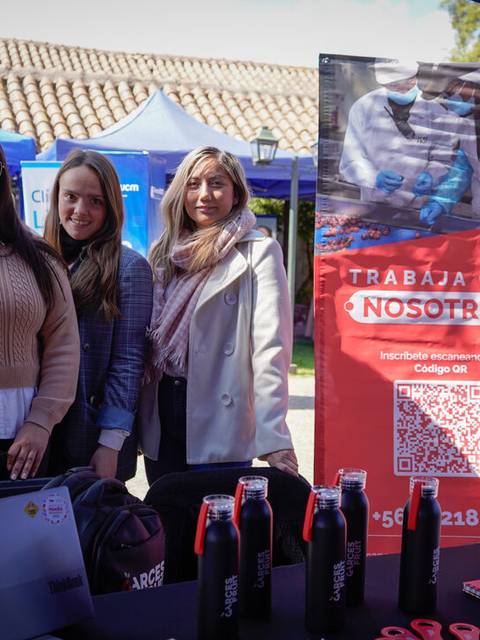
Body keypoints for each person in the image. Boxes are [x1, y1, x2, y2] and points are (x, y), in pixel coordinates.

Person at [140, 146, 298, 484]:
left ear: (236, 192)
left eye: (216, 183)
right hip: (164, 411)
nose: (204, 195)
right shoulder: (163, 253)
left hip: (220, 417)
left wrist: (274, 437)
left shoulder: (259, 252)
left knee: (218, 528)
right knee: (167, 521)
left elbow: (271, 350)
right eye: (193, 184)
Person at [44, 150, 153, 481]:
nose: (80, 211)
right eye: (72, 197)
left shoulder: (130, 268)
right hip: (39, 432)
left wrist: (110, 443)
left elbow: (129, 362)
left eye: (95, 201)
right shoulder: (39, 259)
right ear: (56, 198)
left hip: (90, 437)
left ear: (111, 208)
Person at [0, 144, 80, 481]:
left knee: (20, 533)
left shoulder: (39, 258)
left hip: (22, 435)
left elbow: (63, 346)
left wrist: (41, 421)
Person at [339, 60, 461, 212]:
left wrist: (431, 175)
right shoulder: (363, 107)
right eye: (392, 84)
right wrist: (373, 177)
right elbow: (350, 160)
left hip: (419, 209)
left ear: (415, 78)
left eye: (405, 82)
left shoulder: (438, 112)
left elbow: (443, 158)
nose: (398, 88)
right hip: (373, 206)